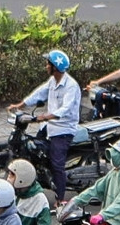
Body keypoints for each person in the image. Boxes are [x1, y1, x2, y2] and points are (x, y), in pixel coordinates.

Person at [11, 50, 81, 201]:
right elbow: (39, 94)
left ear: (55, 67)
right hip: (49, 126)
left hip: (63, 129)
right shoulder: (52, 81)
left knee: (57, 164)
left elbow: (65, 109)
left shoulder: (71, 86)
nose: (46, 66)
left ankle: (61, 200)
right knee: (34, 151)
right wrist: (21, 105)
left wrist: (43, 117)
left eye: (48, 63)